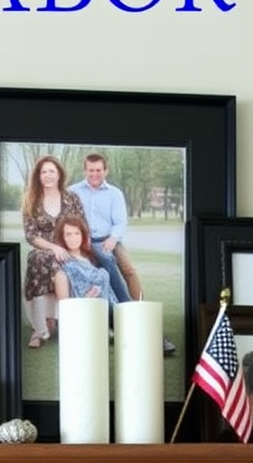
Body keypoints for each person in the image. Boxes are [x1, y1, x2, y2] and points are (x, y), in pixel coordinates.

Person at [69, 152, 176, 356]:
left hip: (110, 240)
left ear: (105, 170)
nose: (94, 174)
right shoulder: (73, 192)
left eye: (98, 170)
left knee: (127, 267)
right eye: (90, 170)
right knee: (106, 261)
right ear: (85, 170)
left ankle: (137, 306)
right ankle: (129, 312)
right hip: (82, 242)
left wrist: (112, 239)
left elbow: (120, 223)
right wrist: (83, 240)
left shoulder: (114, 193)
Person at [21, 155, 84, 349]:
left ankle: (65, 321)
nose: (47, 175)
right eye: (43, 172)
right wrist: (54, 248)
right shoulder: (31, 200)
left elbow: (81, 226)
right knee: (40, 261)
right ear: (38, 176)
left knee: (63, 263)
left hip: (70, 245)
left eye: (51, 171)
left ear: (59, 175)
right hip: (44, 248)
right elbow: (31, 235)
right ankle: (40, 329)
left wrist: (69, 247)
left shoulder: (71, 198)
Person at [52, 214, 118, 303]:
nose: (73, 238)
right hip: (86, 312)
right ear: (62, 237)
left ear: (82, 235)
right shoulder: (64, 266)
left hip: (108, 309)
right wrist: (87, 298)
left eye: (77, 233)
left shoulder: (91, 258)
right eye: (68, 234)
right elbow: (66, 309)